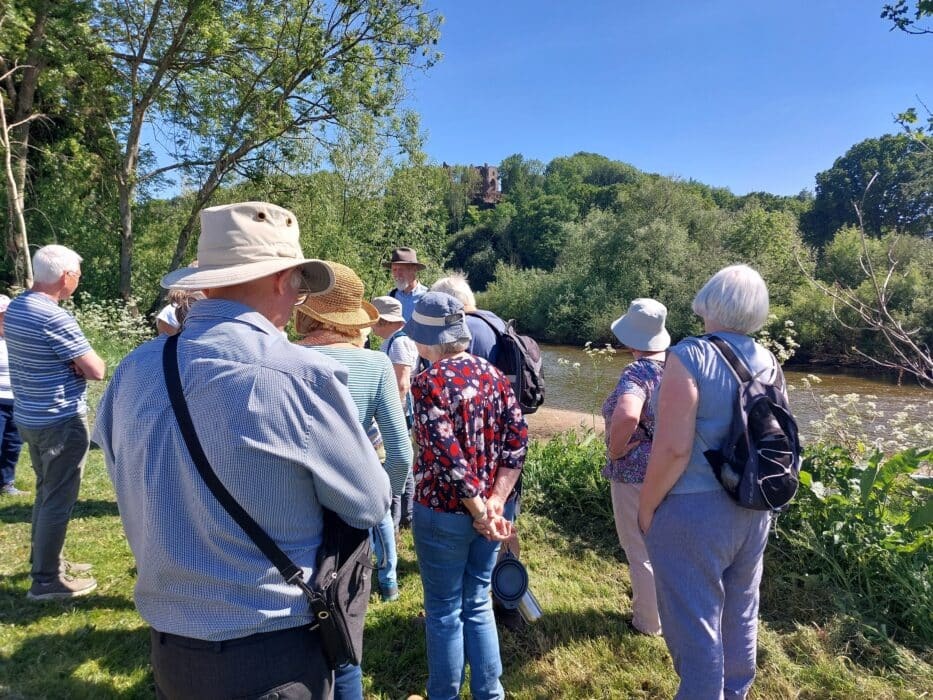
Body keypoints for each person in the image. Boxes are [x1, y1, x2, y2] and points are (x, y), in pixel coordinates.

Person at [93, 202, 391, 699]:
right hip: (274, 654)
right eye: (299, 283)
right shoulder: (300, 376)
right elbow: (369, 502)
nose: (299, 301)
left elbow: (118, 468)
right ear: (280, 279)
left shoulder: (133, 369)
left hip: (171, 650)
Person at [638, 265, 780, 699]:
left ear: (710, 301)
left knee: (695, 624)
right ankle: (735, 692)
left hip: (692, 512)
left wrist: (646, 508)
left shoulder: (689, 354)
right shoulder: (768, 360)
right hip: (754, 508)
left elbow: (673, 449)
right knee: (740, 614)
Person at [293, 261, 413, 700]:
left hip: (286, 503)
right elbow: (401, 453)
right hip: (348, 508)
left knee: (292, 623)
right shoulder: (374, 365)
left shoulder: (283, 356)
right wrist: (382, 502)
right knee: (342, 625)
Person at [406, 291, 528, 700]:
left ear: (428, 340)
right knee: (476, 601)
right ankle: (490, 694)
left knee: (443, 610)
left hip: (443, 511)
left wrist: (481, 509)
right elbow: (517, 442)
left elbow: (447, 457)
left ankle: (443, 694)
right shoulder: (493, 375)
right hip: (491, 509)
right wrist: (496, 502)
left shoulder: (427, 382)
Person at [5, 245, 106, 600]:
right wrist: (74, 364)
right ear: (67, 277)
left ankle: (48, 559)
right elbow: (97, 369)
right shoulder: (53, 317)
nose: (78, 281)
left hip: (30, 416)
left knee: (46, 490)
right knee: (57, 498)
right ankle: (47, 580)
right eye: (78, 275)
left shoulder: (17, 307)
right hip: (60, 419)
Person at [429, 273, 524, 630]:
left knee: (472, 547)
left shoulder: (462, 335)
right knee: (506, 526)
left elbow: (453, 417)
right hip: (504, 461)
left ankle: (474, 607)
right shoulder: (497, 324)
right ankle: (510, 600)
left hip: (471, 466)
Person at [602, 298, 670, 637]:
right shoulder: (674, 370)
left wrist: (615, 451)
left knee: (638, 548)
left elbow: (628, 413)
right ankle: (669, 615)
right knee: (664, 546)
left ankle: (647, 622)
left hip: (634, 473)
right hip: (669, 469)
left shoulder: (638, 371)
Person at [371, 295, 419, 530]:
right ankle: (405, 515)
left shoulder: (398, 342)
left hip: (398, 413)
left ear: (383, 321)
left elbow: (402, 383)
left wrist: (390, 416)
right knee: (404, 462)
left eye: (373, 320)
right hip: (400, 412)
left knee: (399, 461)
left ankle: (400, 517)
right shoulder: (398, 340)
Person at [0, 294, 25, 497]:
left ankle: (6, 483)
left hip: (17, 401)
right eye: (2, 315)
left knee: (13, 444)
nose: (5, 319)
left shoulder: (18, 339)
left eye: (7, 314)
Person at [384, 246, 427, 322]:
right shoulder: (390, 297)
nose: (397, 274)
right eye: (394, 270)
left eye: (401, 269)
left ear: (414, 269)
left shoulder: (427, 297)